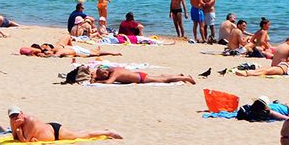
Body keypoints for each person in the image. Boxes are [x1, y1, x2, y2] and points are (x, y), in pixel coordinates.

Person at [7, 109, 120, 143]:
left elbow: (24, 141)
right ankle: (103, 131)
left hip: (55, 132)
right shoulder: (14, 121)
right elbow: (14, 138)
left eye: (17, 115)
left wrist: (19, 130)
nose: (15, 118)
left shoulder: (30, 119)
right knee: (79, 134)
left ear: (22, 112)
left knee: (82, 136)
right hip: (48, 131)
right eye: (12, 116)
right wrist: (16, 128)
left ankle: (108, 132)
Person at [60, 64, 195, 85]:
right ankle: (179, 74)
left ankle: (185, 78)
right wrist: (95, 75)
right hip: (139, 74)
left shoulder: (116, 73)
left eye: (103, 73)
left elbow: (108, 82)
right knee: (160, 76)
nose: (104, 75)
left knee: (163, 80)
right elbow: (99, 71)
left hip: (140, 78)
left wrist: (97, 81)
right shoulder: (113, 69)